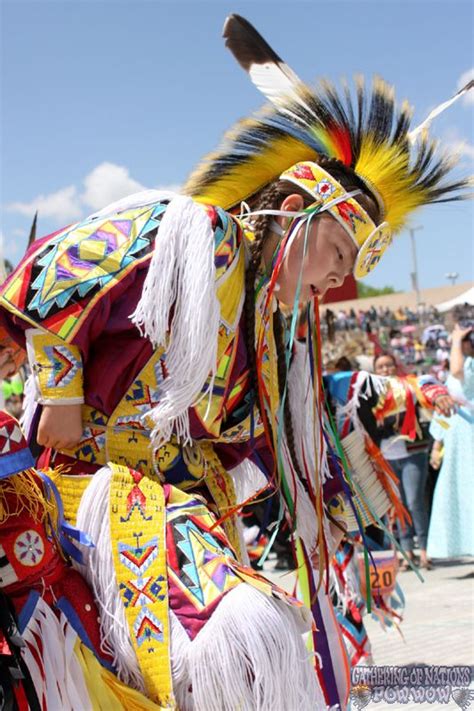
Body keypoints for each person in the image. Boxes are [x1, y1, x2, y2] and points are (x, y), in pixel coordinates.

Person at [0, 13, 470, 711]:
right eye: (337, 254)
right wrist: (61, 394)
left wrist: (328, 505)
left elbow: (269, 447)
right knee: (238, 634)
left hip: (176, 507)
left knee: (265, 638)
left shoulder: (266, 329)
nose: (336, 282)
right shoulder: (197, 234)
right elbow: (47, 275)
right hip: (90, 486)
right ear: (291, 211)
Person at [372, 352, 454, 570]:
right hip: (387, 456)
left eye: (389, 365)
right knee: (398, 505)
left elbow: (428, 388)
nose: (385, 370)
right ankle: (406, 550)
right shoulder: (372, 394)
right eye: (380, 367)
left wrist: (437, 395)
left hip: (413, 452)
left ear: (395, 367)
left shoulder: (410, 386)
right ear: (375, 371)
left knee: (416, 502)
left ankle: (426, 550)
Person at [428, 324, 474, 559]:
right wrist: (437, 445)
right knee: (459, 495)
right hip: (457, 443)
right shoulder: (453, 375)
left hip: (470, 442)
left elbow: (457, 370)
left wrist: (456, 339)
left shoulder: (469, 366)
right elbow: (444, 410)